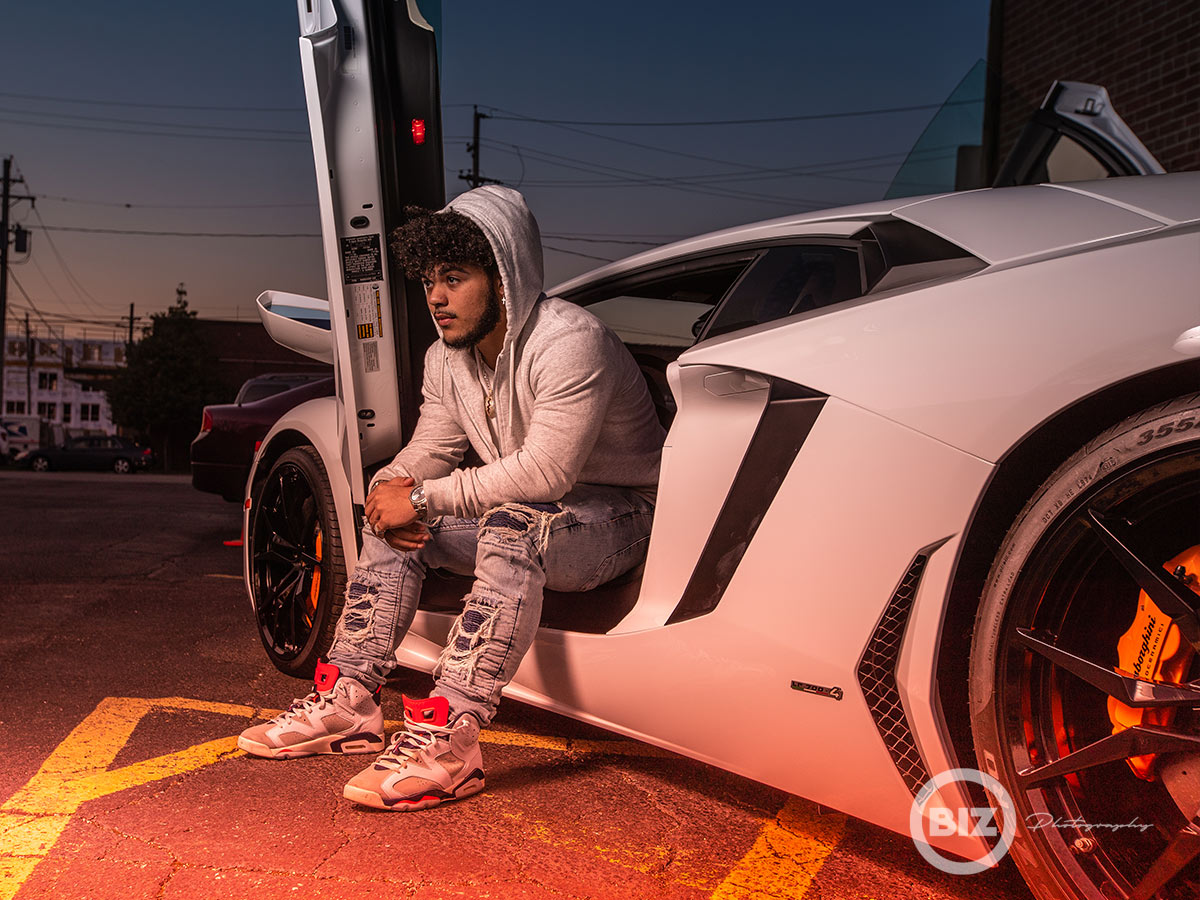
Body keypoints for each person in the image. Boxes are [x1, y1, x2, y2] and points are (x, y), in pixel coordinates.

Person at [238, 186, 665, 811]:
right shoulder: (448, 357)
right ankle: (352, 701)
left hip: (623, 515)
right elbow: (431, 448)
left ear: (504, 277)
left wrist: (427, 498)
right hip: (532, 508)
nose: (436, 297)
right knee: (394, 520)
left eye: (456, 279)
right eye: (430, 280)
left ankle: (453, 736)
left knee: (511, 528)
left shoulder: (571, 341)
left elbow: (547, 471)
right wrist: (392, 488)